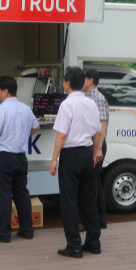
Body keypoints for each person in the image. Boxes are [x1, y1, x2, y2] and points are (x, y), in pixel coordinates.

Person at [49, 66, 102, 258]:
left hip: (70, 156)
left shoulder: (67, 105)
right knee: (89, 199)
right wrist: (95, 152)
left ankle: (74, 245)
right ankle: (93, 242)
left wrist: (54, 159)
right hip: (87, 154)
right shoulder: (91, 104)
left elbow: (62, 135)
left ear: (68, 83)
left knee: (69, 201)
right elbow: (98, 132)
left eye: (63, 80)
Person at [0, 76, 40, 243]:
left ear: (5, 91)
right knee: (22, 193)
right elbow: (36, 126)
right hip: (20, 158)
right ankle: (27, 230)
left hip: (4, 157)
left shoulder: (0, 110)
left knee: (3, 195)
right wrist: (23, 136)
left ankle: (3, 233)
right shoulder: (26, 108)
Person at [79, 68, 110, 232]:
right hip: (93, 144)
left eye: (83, 78)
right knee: (94, 182)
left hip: (96, 144)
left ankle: (87, 221)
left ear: (90, 80)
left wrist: (97, 149)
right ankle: (99, 219)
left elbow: (102, 125)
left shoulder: (96, 98)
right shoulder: (88, 97)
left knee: (90, 184)